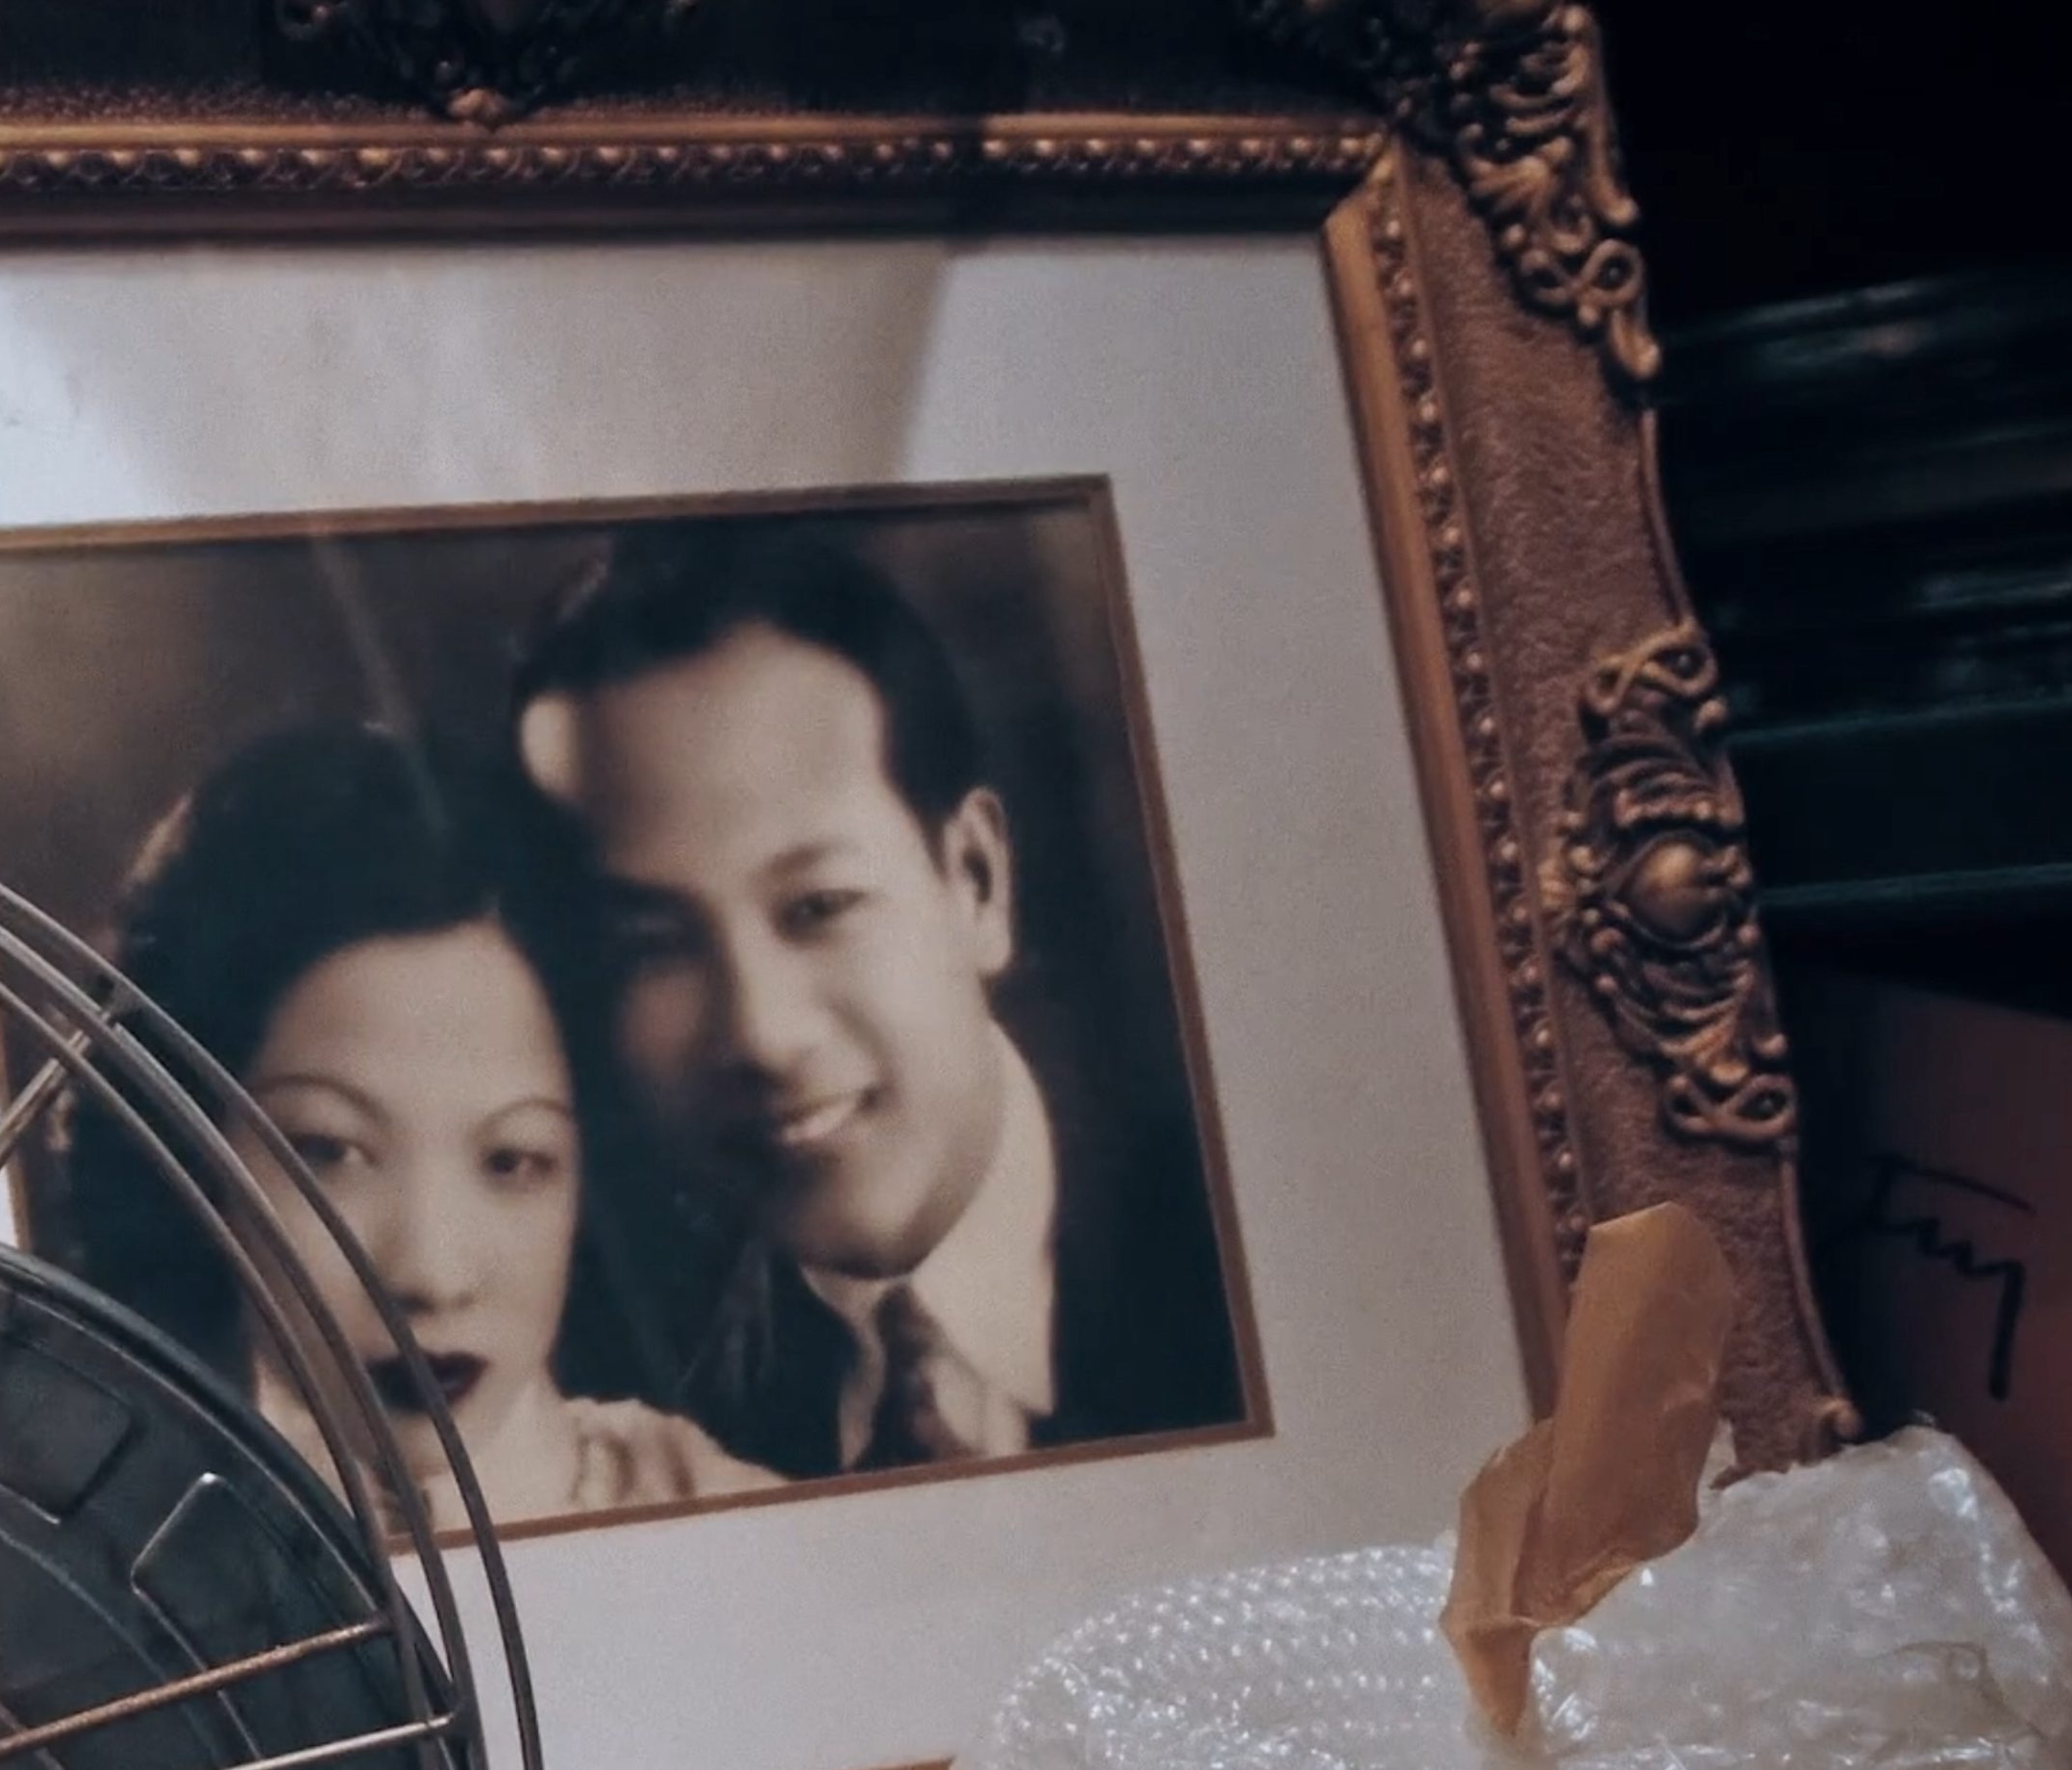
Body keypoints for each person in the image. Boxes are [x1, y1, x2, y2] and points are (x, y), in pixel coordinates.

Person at [509, 528, 1246, 1478]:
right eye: (654, 946)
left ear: (974, 881)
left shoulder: (1243, 1256)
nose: (759, 1033)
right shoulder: (623, 1407)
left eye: (819, 907)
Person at [63, 724, 773, 1528]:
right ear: (191, 1151)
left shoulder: (739, 1524)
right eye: (329, 1153)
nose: (431, 1276)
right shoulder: (99, 1558)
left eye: (512, 1161)